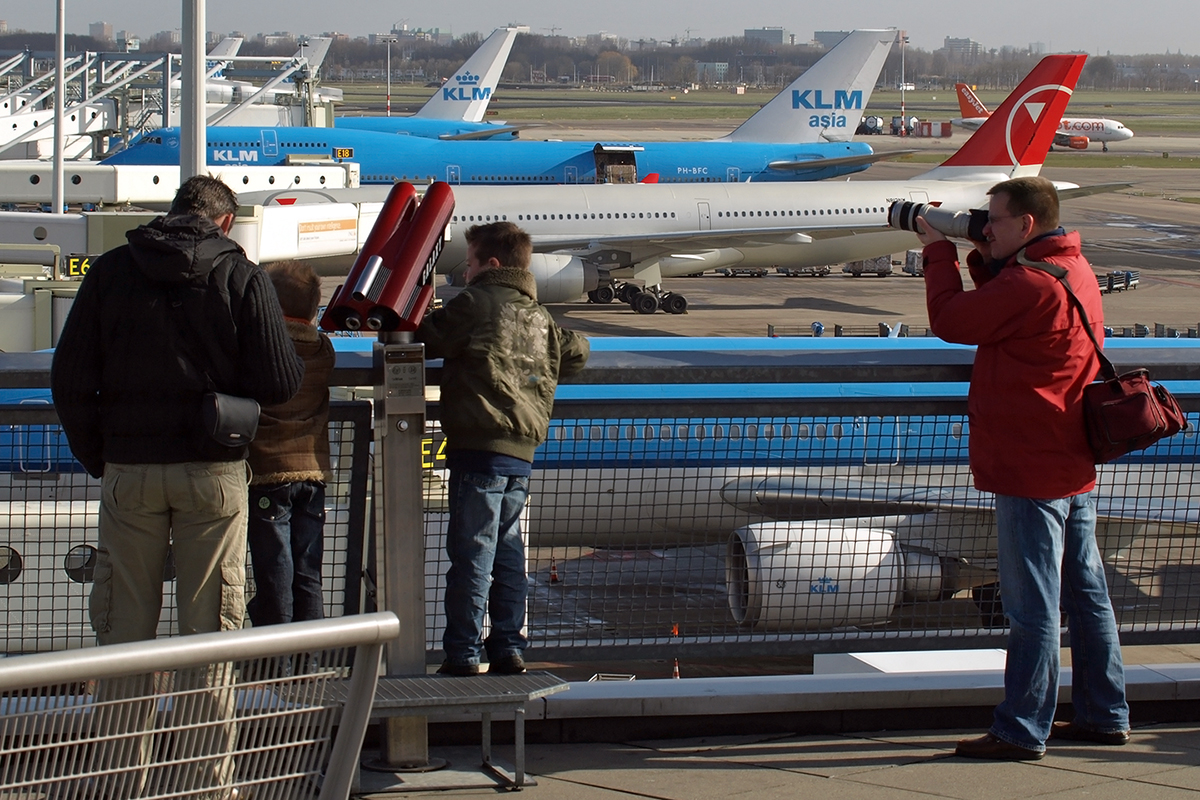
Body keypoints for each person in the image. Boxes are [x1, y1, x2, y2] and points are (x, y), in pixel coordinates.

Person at [51, 175, 302, 796]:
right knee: (209, 634)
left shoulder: (111, 271)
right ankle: (206, 784)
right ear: (224, 222)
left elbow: (69, 376)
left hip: (129, 471)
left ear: (173, 212)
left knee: (123, 634)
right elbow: (279, 381)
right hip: (212, 473)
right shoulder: (240, 275)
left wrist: (100, 456)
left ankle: (119, 780)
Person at [916, 176, 1129, 760]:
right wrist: (986, 258)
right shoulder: (1070, 268)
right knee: (1086, 595)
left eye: (996, 220)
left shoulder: (1032, 282)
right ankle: (1104, 714)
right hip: (1070, 457)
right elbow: (1008, 308)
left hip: (1029, 464)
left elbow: (954, 323)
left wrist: (937, 250)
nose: (986, 226)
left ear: (1027, 226)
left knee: (1031, 607)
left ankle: (1020, 729)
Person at [417, 221, 590, 676]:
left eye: (469, 262)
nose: (465, 271)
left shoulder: (475, 303)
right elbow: (576, 351)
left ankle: (462, 652)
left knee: (472, 554)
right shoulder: (539, 317)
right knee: (508, 552)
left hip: (479, 445)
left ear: (490, 265)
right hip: (522, 450)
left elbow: (429, 336)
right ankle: (509, 646)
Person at [246, 260, 336, 627]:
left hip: (268, 470)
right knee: (308, 568)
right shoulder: (322, 349)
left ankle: (276, 655)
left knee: (274, 567)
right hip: (313, 473)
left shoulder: (260, 346)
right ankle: (311, 652)